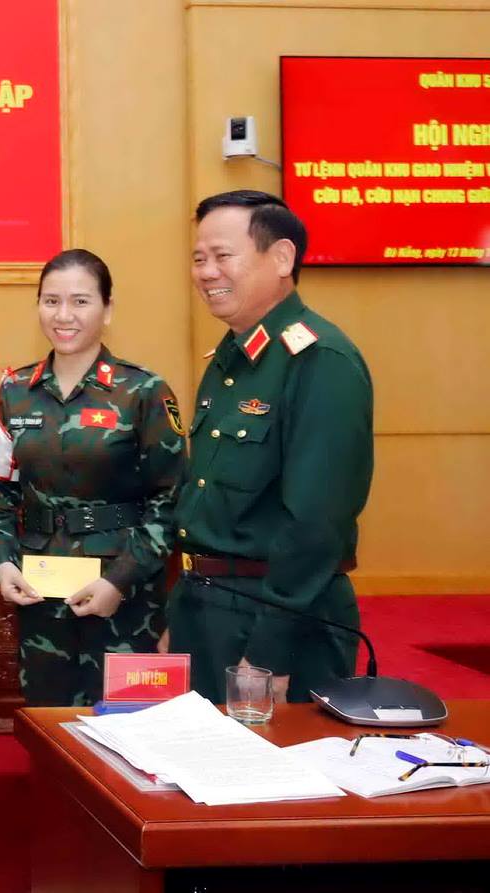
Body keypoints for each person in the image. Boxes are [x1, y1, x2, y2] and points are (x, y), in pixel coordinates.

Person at [167, 190, 372, 704]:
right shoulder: (230, 360)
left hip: (276, 621)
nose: (206, 272)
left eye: (222, 256)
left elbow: (316, 524)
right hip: (209, 608)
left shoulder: (319, 359)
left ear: (281, 258)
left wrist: (268, 653)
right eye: (198, 258)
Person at [0, 249, 184, 707]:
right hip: (40, 589)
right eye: (51, 301)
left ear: (107, 310)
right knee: (51, 727)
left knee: (127, 729)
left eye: (80, 301)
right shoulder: (15, 391)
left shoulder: (143, 391)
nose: (63, 315)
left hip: (123, 592)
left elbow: (170, 499)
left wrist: (120, 581)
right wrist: (3, 562)